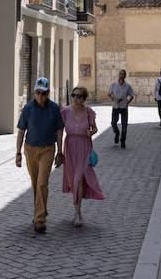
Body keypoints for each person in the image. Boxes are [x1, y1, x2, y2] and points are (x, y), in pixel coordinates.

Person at [15, 77, 64, 233]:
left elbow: (59, 131)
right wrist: (17, 153)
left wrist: (60, 152)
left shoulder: (54, 109)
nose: (41, 96)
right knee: (35, 183)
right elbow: (21, 131)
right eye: (38, 93)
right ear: (34, 92)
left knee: (42, 183)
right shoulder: (28, 109)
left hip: (47, 150)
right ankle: (39, 211)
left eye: (44, 93)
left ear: (48, 93)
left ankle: (40, 220)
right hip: (30, 150)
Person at [61, 85, 105, 226]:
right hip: (70, 148)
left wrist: (91, 132)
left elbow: (95, 128)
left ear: (84, 98)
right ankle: (77, 210)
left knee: (79, 179)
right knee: (73, 179)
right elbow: (59, 130)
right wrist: (58, 151)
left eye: (79, 96)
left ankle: (77, 212)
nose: (76, 98)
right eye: (74, 95)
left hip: (84, 147)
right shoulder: (66, 112)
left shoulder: (88, 112)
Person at [108, 69, 135, 148]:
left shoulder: (127, 86)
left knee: (124, 125)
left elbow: (132, 95)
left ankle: (123, 141)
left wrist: (127, 103)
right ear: (118, 75)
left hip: (124, 107)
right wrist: (113, 99)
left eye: (123, 74)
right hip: (115, 106)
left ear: (125, 76)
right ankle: (117, 133)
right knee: (113, 123)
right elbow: (109, 93)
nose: (121, 75)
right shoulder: (114, 85)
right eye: (120, 74)